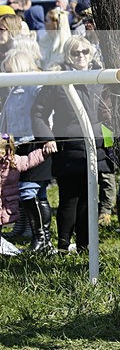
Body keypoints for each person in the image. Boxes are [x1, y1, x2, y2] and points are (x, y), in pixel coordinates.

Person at [31, 36, 111, 253]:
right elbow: (38, 113)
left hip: (95, 147)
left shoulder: (100, 77)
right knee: (69, 198)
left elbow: (110, 112)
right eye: (76, 52)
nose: (81, 56)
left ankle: (86, 245)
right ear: (68, 54)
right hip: (68, 148)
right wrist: (47, 138)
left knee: (89, 198)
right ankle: (64, 247)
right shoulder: (58, 79)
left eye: (85, 51)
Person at [0, 49, 55, 254]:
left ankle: (42, 239)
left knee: (28, 192)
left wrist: (47, 138)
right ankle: (42, 241)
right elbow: (5, 120)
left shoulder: (35, 86)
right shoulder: (12, 91)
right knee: (36, 193)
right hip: (18, 145)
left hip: (35, 143)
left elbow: (44, 113)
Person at [0, 133, 54, 254]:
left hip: (6, 203)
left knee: (31, 195)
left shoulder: (14, 161)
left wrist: (43, 152)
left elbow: (29, 160)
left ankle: (41, 238)